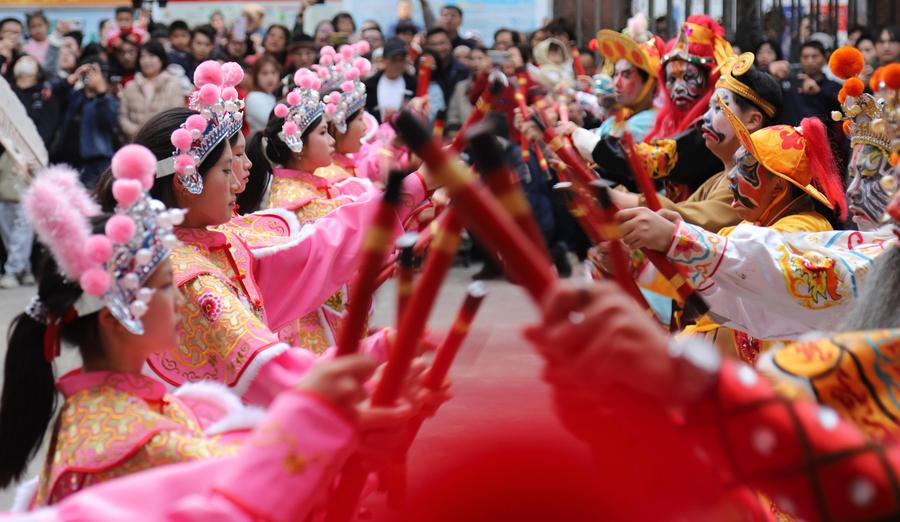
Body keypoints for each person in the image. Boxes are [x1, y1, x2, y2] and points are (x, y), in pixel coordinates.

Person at [0, 146, 423, 509]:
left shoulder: (121, 407)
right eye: (167, 287)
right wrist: (355, 419)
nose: (182, 301)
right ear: (115, 317)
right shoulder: (136, 437)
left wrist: (378, 355)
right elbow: (252, 491)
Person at [98, 61, 428, 393]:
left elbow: (320, 249)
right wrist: (379, 352)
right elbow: (270, 375)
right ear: (189, 180)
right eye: (227, 169)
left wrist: (417, 189)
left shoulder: (211, 239)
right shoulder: (189, 278)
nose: (243, 174)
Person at [51, 58, 119, 189]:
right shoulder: (76, 95)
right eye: (88, 73)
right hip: (66, 160)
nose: (91, 77)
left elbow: (109, 122)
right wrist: (72, 79)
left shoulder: (108, 100)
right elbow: (54, 97)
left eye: (95, 73)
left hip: (94, 164)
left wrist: (101, 92)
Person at [118, 40, 185, 142]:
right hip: (135, 142)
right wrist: (137, 132)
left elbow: (176, 117)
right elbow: (122, 116)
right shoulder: (130, 86)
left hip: (163, 143)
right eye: (143, 56)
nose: (146, 60)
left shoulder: (173, 85)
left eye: (152, 56)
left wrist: (154, 134)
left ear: (161, 59)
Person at [780, 41, 842, 127]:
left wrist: (819, 93)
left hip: (822, 137)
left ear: (824, 58)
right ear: (800, 60)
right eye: (805, 57)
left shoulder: (834, 87)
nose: (810, 61)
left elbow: (841, 113)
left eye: (815, 56)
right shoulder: (789, 84)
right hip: (791, 136)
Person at [365, 37, 416, 123]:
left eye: (401, 60)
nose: (398, 64)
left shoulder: (413, 83)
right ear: (384, 60)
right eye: (394, 60)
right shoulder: (371, 84)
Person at [424, 27, 470, 104]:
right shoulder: (421, 70)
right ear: (426, 47)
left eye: (442, 43)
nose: (439, 48)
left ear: (450, 43)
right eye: (433, 44)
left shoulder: (463, 71)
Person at [244, 54, 281, 134]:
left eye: (273, 72)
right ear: (256, 76)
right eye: (264, 73)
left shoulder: (270, 95)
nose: (270, 78)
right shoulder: (253, 97)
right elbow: (272, 122)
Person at [0, 18, 25, 82]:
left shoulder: (23, 56)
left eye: (17, 33)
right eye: (9, 32)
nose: (14, 36)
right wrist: (2, 57)